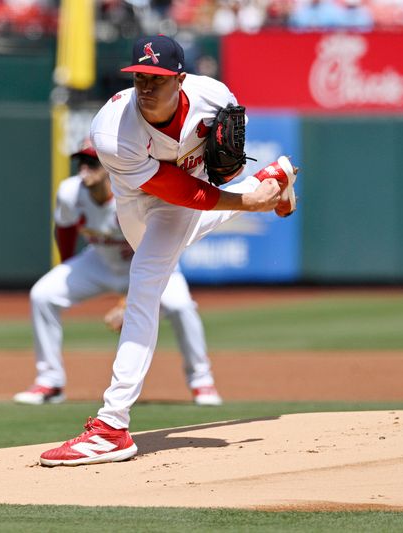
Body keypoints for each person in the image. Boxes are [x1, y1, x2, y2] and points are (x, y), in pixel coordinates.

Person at [40, 34, 298, 467]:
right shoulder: (110, 129)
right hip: (139, 200)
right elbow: (174, 191)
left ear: (180, 79)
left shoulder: (213, 95)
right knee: (164, 244)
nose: (145, 86)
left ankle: (111, 426)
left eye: (157, 79)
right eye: (140, 76)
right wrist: (247, 197)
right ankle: (274, 179)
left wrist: (233, 176)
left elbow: (232, 140)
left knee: (145, 283)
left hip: (180, 199)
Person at [14, 140, 223, 408]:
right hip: (101, 261)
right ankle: (50, 382)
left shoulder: (131, 194)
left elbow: (157, 246)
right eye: (82, 162)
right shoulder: (70, 192)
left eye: (92, 162)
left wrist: (127, 303)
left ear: (108, 166)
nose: (85, 169)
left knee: (181, 306)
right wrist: (67, 271)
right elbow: (65, 233)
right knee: (43, 294)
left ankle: (201, 381)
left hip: (154, 261)